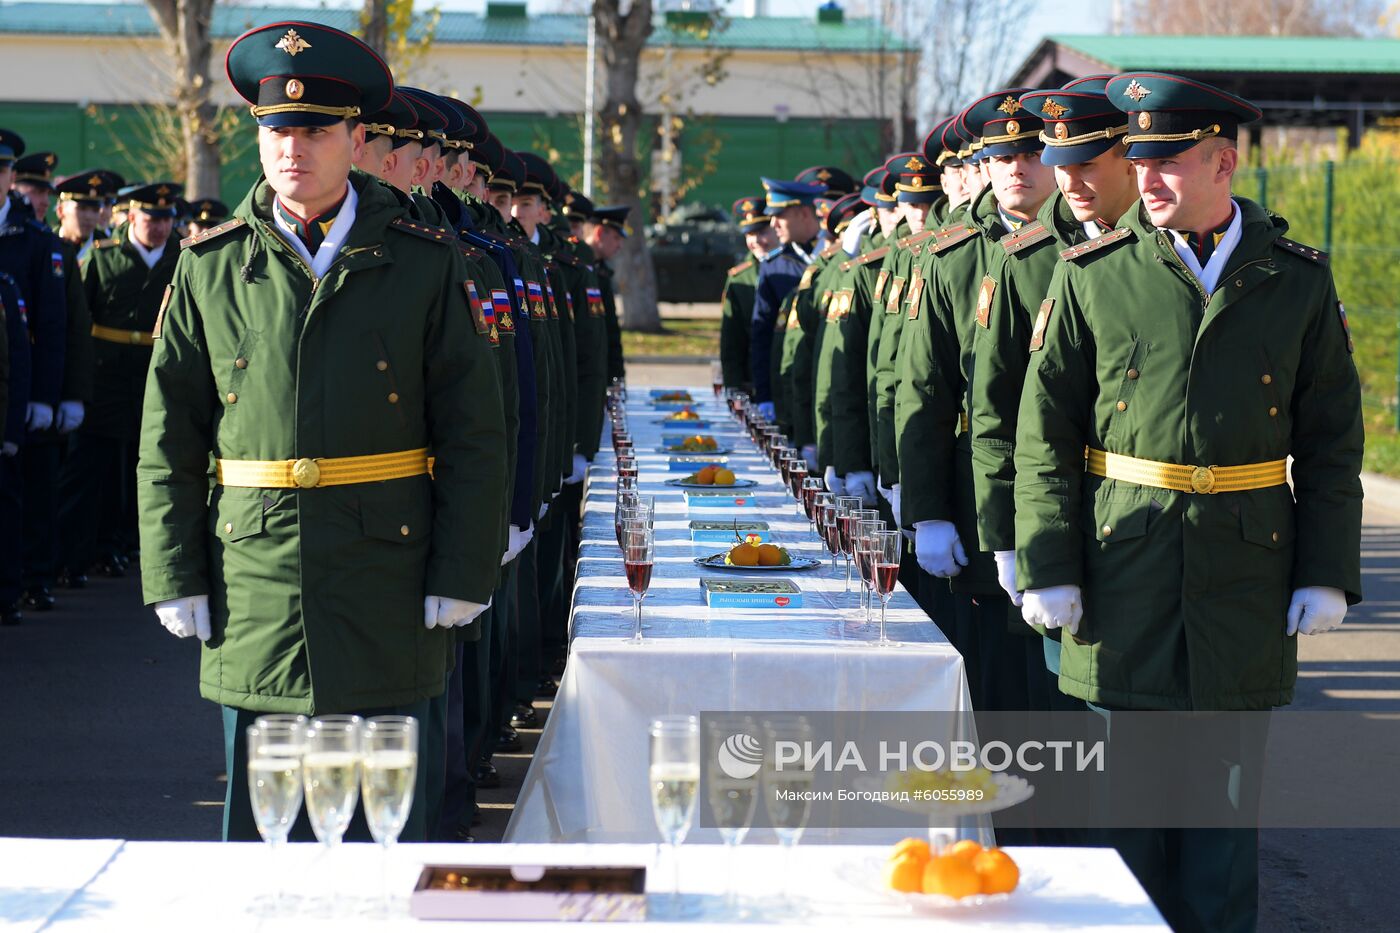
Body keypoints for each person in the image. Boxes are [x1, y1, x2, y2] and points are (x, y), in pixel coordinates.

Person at [136, 21, 507, 842]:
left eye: (313, 130)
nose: (291, 148)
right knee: (265, 828)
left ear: (354, 139)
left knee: (385, 823)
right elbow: (170, 435)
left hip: (389, 575)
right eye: (275, 130)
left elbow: (475, 430)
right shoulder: (211, 265)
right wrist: (173, 570)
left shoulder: (422, 259)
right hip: (255, 580)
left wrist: (464, 567)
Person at [1013, 72, 1362, 931]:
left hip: (1243, 578)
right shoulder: (1093, 274)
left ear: (1223, 162)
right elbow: (1043, 434)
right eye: (1140, 158)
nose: (1148, 177)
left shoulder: (1297, 281)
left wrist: (1327, 571)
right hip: (1121, 571)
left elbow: (1329, 443)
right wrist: (1047, 561)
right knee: (1125, 818)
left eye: (1168, 162)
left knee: (1221, 824)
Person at [969, 76, 1138, 712]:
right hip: (1058, 512)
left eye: (1082, 162)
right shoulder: (1027, 258)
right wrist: (1009, 536)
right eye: (1058, 161)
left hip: (1141, 520)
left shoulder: (1168, 254)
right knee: (1054, 713)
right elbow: (997, 408)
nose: (1067, 180)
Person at [895, 87, 1057, 712]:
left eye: (1033, 151)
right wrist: (927, 509)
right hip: (976, 489)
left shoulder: (1091, 247)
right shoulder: (954, 257)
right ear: (982, 165)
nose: (1018, 167)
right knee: (991, 683)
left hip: (1070, 491)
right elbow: (925, 389)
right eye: (1002, 155)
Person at [0, 128, 66, 627]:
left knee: (12, 494)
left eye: (1, 169)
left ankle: (11, 588)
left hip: (14, 384)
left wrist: (45, 397)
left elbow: (49, 322)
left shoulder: (35, 238)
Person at [749, 176, 826, 427]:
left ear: (804, 213)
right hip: (792, 391)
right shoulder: (774, 266)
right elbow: (761, 334)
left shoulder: (840, 253)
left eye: (779, 216)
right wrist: (764, 394)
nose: (773, 224)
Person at [718, 196, 776, 396]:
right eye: (749, 234)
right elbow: (731, 342)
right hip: (751, 383)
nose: (756, 241)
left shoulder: (797, 269)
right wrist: (733, 388)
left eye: (762, 232)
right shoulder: (739, 278)